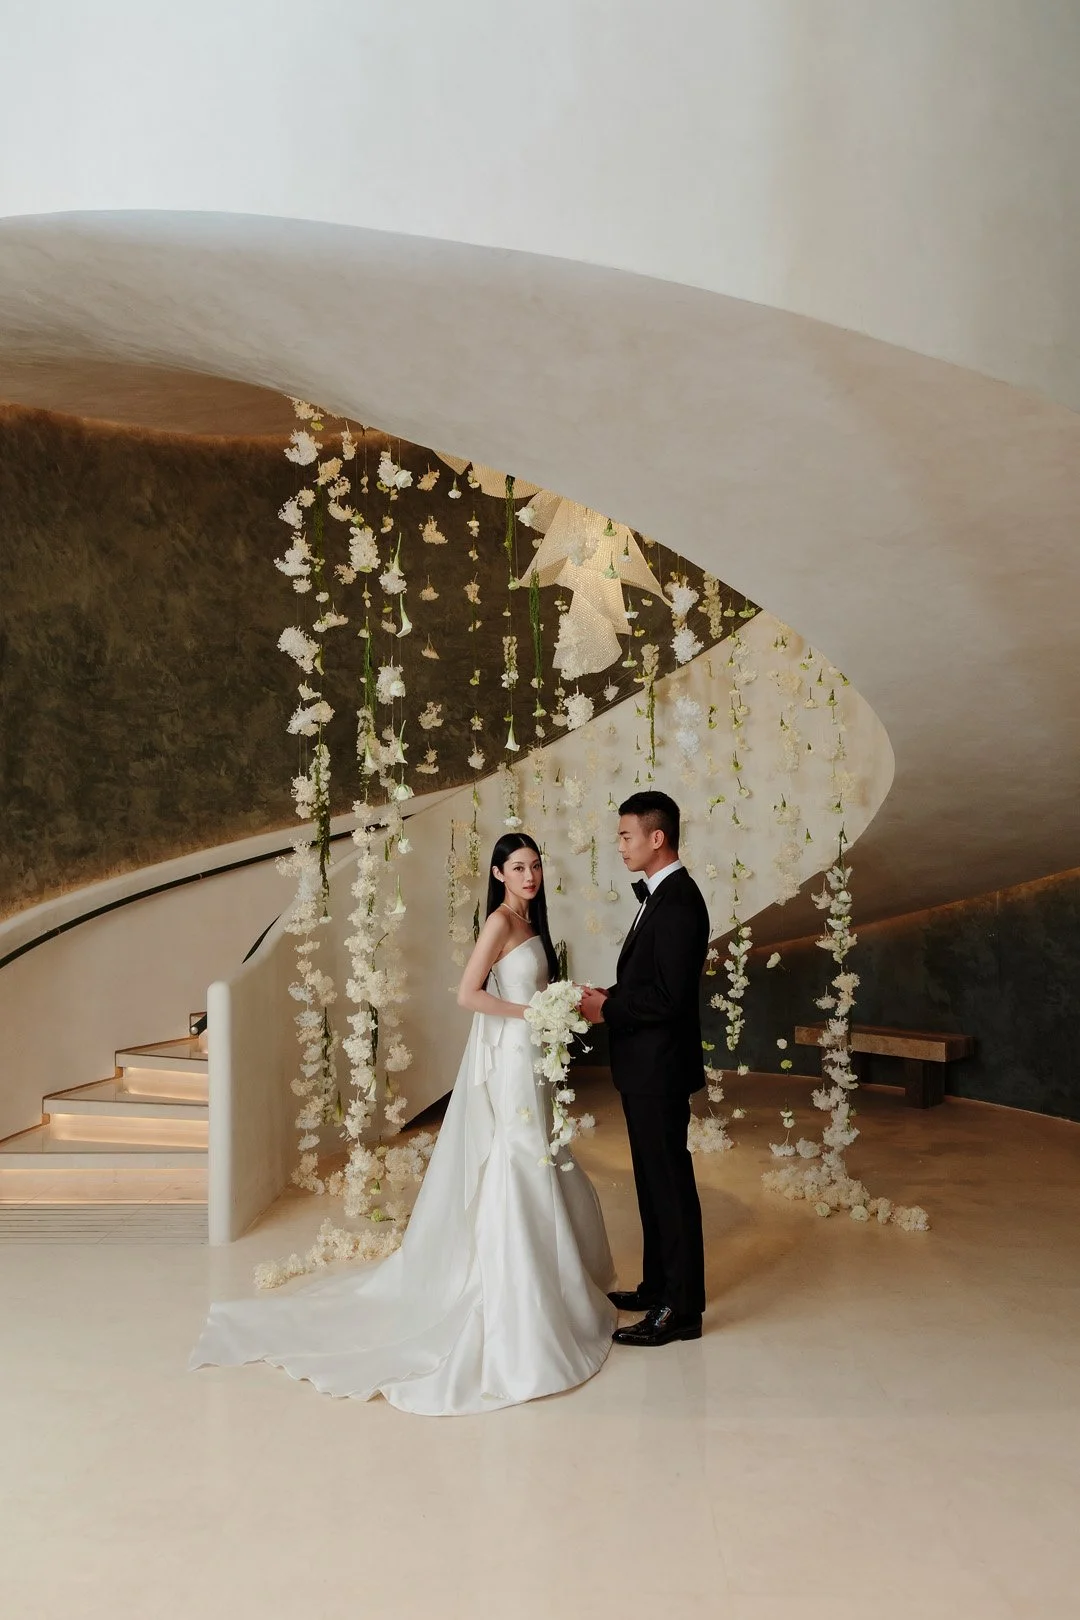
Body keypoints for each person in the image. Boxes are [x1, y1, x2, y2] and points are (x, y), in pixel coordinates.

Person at [189, 833, 616, 1414]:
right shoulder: (498, 923)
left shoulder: (530, 922)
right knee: (516, 1160)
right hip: (511, 1057)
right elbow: (468, 995)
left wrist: (559, 1001)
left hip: (531, 1056)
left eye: (536, 866)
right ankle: (513, 1295)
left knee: (538, 1152)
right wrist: (533, 1011)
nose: (530, 875)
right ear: (497, 873)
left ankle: (554, 1288)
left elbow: (530, 989)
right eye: (518, 867)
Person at [580, 791, 710, 1347]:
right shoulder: (661, 896)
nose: (620, 846)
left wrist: (605, 1010)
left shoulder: (679, 901)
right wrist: (609, 993)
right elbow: (651, 985)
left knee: (669, 1185)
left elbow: (670, 1000)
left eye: (625, 835)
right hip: (645, 1070)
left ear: (658, 838)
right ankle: (658, 1285)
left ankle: (680, 1312)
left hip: (659, 1071)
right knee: (653, 1183)